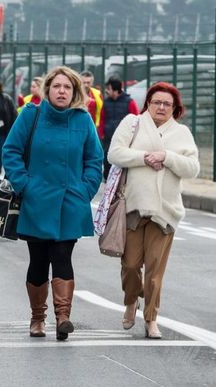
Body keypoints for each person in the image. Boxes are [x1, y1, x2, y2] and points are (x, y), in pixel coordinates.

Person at [2, 66, 103, 341]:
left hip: (70, 201)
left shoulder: (83, 120)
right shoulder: (31, 115)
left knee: (62, 257)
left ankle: (63, 317)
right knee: (38, 260)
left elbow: (94, 160)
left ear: (75, 92)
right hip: (36, 199)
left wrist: (85, 190)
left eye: (67, 87)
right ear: (47, 90)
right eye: (57, 86)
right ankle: (37, 318)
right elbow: (10, 151)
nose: (62, 91)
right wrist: (25, 184)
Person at [108, 82, 199, 339]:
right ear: (148, 103)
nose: (161, 107)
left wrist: (167, 157)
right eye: (156, 102)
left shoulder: (181, 133)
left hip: (165, 211)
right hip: (133, 207)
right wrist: (145, 157)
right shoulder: (132, 123)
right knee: (130, 264)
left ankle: (151, 319)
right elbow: (114, 153)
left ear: (175, 108)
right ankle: (130, 302)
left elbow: (192, 168)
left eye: (167, 104)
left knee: (155, 271)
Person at [100, 76, 140, 179]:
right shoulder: (106, 102)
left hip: (124, 139)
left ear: (115, 90)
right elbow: (102, 118)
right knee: (107, 160)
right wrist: (101, 134)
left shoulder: (129, 102)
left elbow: (136, 119)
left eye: (109, 89)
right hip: (108, 138)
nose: (107, 91)